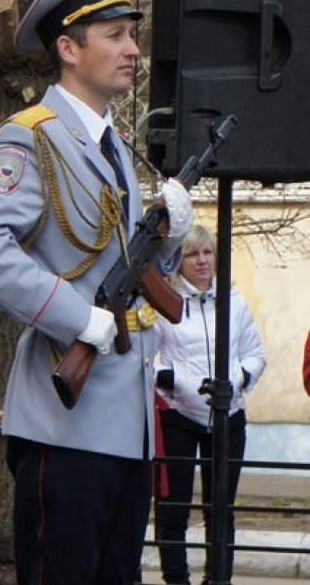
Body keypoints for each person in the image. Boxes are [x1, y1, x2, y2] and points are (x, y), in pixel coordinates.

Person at [0, 0, 194, 585]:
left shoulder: (117, 149)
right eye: (115, 35)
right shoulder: (29, 137)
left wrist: (166, 242)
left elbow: (124, 268)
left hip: (127, 422)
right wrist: (74, 318)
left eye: (130, 35)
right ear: (68, 48)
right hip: (65, 423)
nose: (133, 49)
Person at [153, 224, 266, 585]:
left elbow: (255, 355)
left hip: (228, 417)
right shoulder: (163, 303)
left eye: (207, 253)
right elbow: (147, 359)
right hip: (178, 418)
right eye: (191, 253)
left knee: (221, 512)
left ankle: (218, 580)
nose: (201, 261)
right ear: (178, 261)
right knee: (173, 513)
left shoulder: (234, 303)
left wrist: (238, 380)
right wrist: (176, 382)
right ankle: (178, 581)